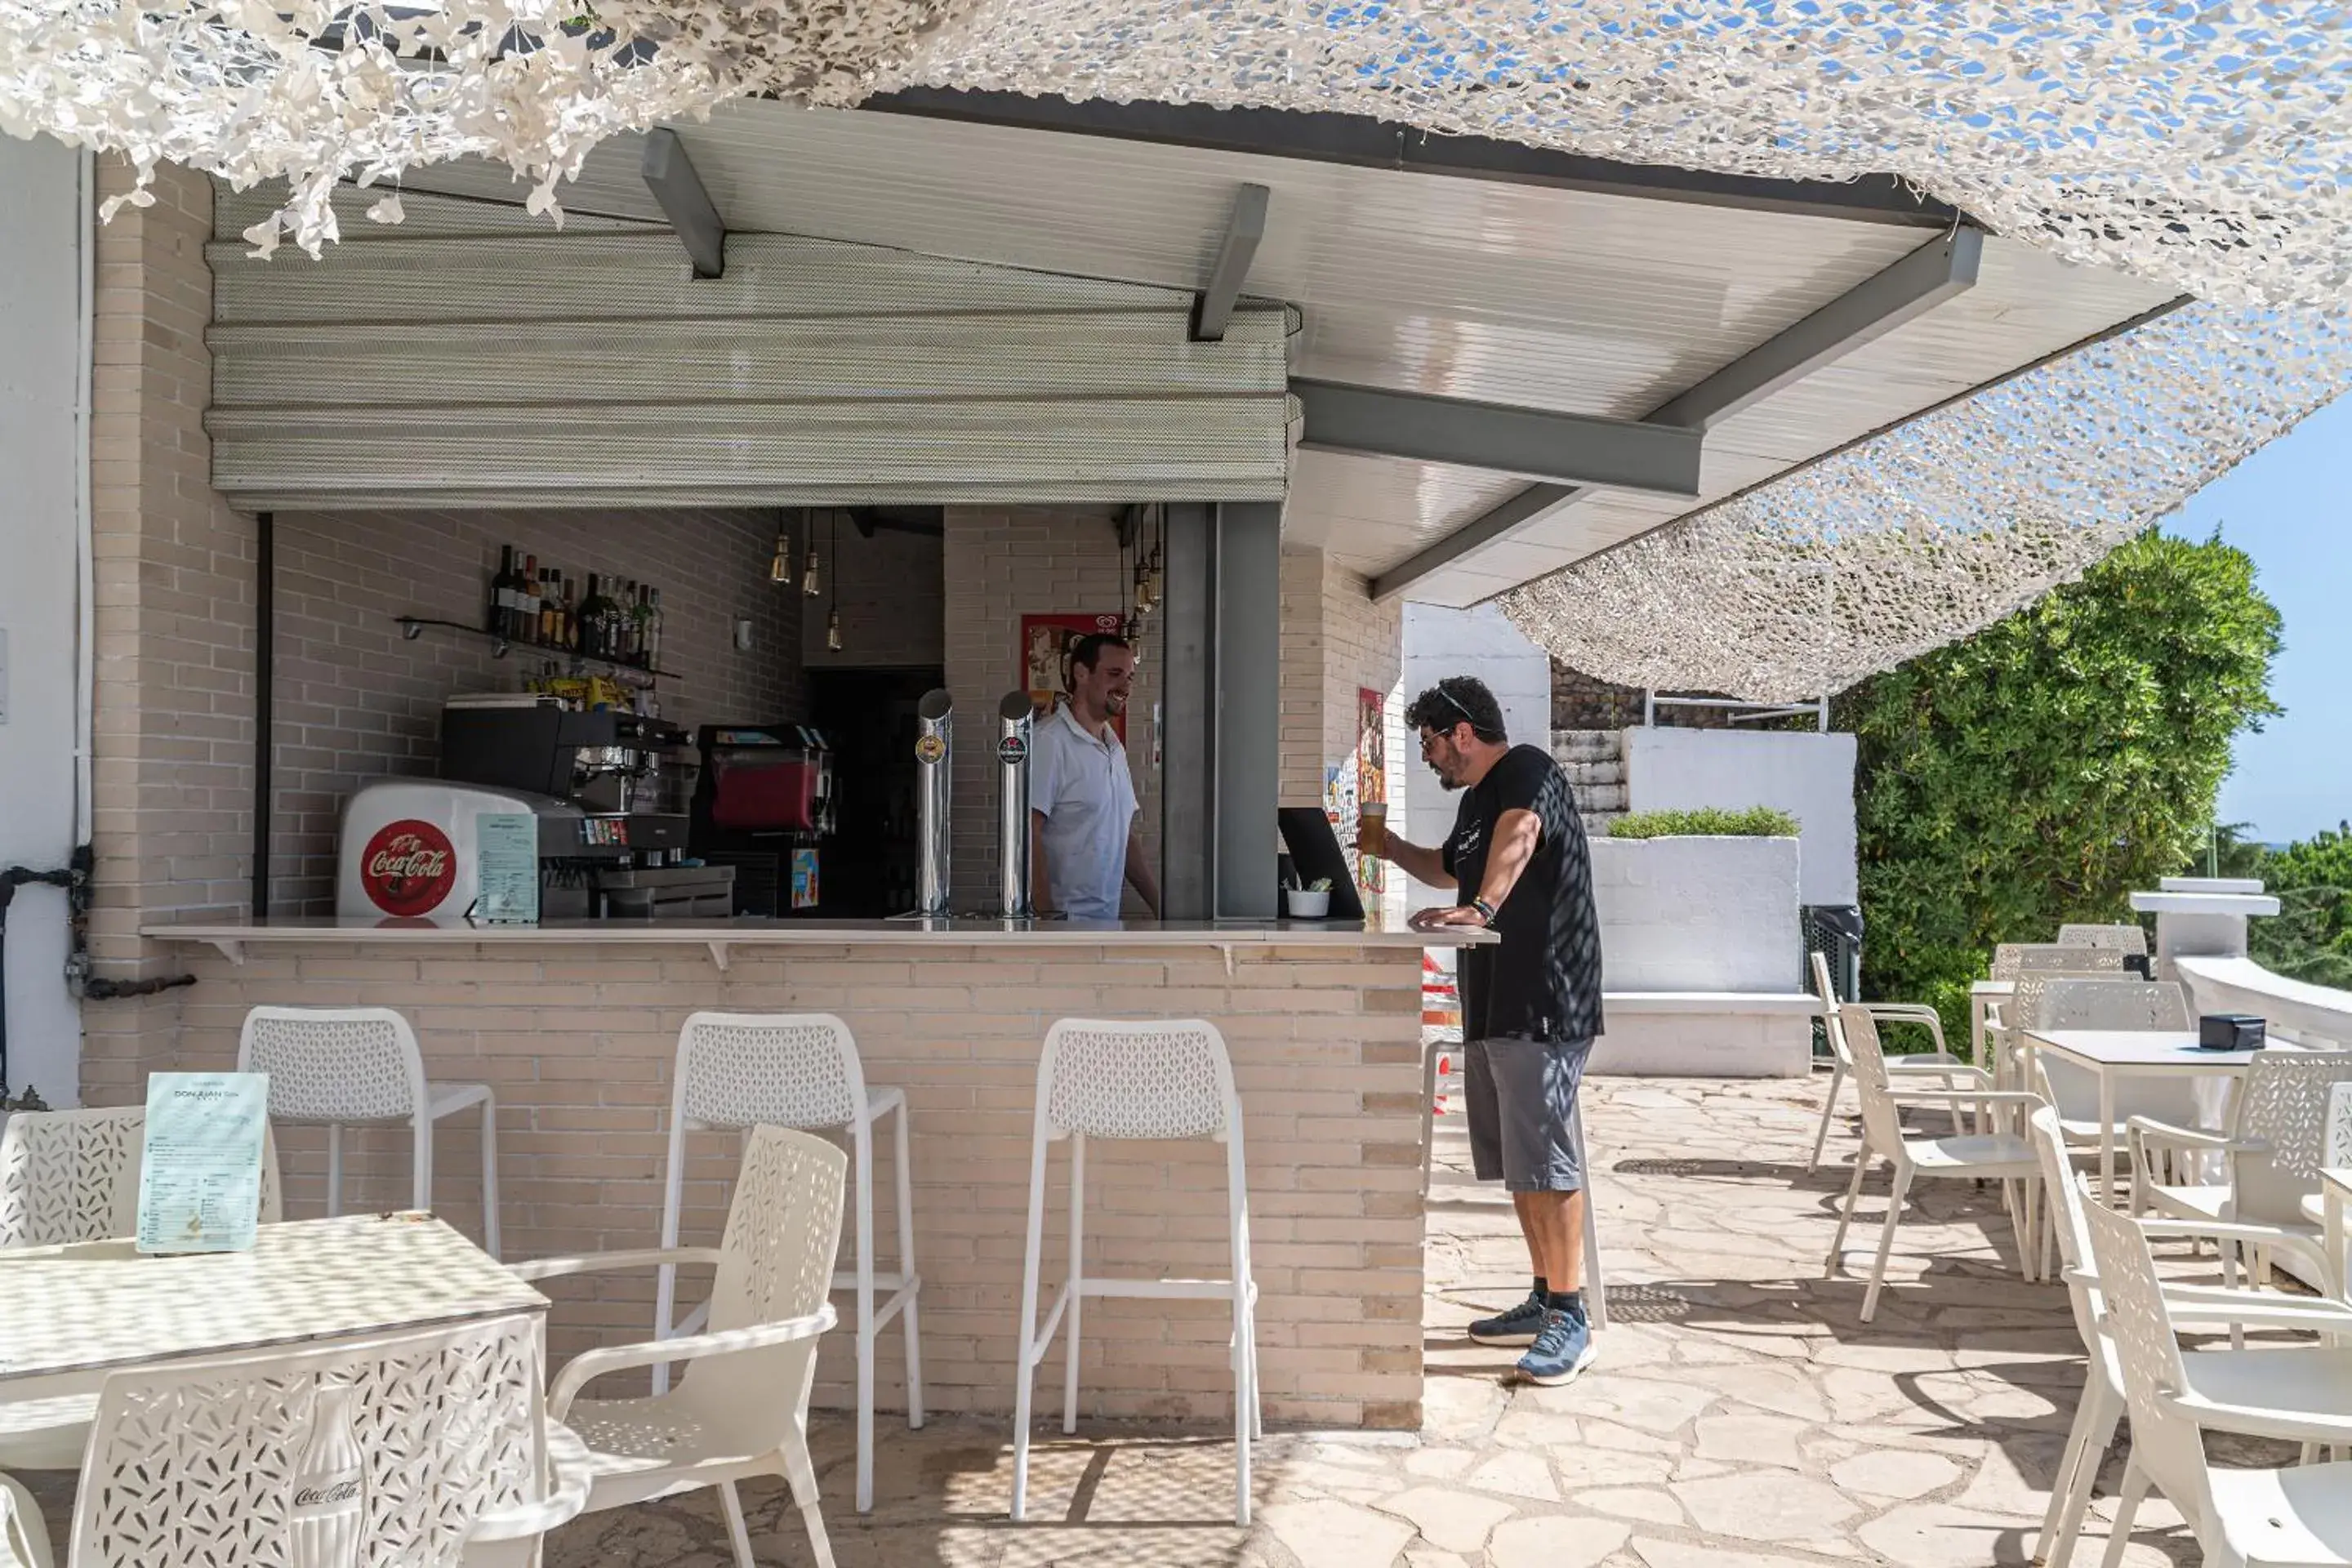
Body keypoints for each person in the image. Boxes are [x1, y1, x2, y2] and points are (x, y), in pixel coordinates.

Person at [1363, 675, 1604, 1385]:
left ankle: (1571, 1315)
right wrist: (1386, 846)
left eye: (1432, 742)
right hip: (1496, 999)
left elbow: (1520, 838)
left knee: (1548, 1159)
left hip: (1545, 996)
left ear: (1462, 732)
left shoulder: (1526, 769)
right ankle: (1542, 1295)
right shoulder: (1474, 803)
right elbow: (1449, 869)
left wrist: (1483, 908)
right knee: (1520, 1163)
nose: (1430, 756)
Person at [1028, 633, 1161, 920]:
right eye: (1115, 674)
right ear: (1081, 673)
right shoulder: (1049, 742)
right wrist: (1048, 917)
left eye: (1130, 677)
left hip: (1105, 923)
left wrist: (1162, 907)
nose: (1125, 686)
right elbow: (1027, 832)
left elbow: (1121, 836)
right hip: (1062, 928)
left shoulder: (1114, 748)